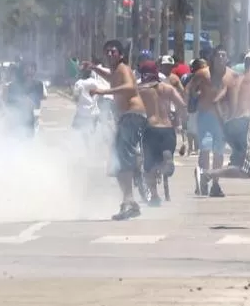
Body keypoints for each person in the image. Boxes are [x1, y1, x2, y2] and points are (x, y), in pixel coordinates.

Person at [194, 51, 250, 224]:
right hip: (246, 124)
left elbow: (216, 101)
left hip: (231, 125)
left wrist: (223, 124)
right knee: (244, 170)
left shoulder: (234, 79)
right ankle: (207, 173)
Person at [85, 40, 148, 221]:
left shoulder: (122, 69)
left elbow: (130, 87)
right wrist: (94, 68)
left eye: (113, 52)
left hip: (132, 115)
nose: (110, 54)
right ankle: (130, 201)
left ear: (120, 54)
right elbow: (110, 76)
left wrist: (104, 92)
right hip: (128, 117)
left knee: (122, 158)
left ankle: (128, 201)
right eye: (107, 52)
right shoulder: (116, 72)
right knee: (117, 159)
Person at [185, 47, 235, 197]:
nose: (220, 58)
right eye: (218, 55)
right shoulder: (203, 74)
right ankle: (203, 179)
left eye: (223, 55)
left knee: (219, 153)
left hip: (222, 119)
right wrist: (193, 99)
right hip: (205, 116)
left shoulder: (231, 76)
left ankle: (215, 183)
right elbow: (189, 88)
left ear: (227, 58)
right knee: (205, 150)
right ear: (212, 58)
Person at [138, 60, 186, 204]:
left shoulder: (141, 89)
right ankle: (166, 162)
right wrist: (178, 121)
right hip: (167, 128)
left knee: (148, 166)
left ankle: (154, 196)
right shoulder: (168, 88)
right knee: (166, 154)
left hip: (150, 129)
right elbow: (182, 105)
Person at [71, 67, 107, 132]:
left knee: (81, 131)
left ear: (82, 73)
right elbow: (102, 94)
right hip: (94, 112)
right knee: (92, 132)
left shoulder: (79, 83)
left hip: (82, 113)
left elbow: (75, 97)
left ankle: (85, 141)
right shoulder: (96, 82)